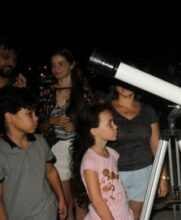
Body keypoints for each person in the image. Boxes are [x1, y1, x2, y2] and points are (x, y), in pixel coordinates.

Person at [38, 48, 94, 219]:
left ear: (72, 65)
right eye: (53, 65)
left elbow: (93, 123)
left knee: (81, 200)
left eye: (61, 64)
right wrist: (52, 122)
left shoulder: (84, 93)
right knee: (64, 200)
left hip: (80, 150)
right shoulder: (46, 91)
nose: (56, 68)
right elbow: (38, 127)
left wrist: (78, 127)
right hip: (56, 152)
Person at [0, 87, 67, 220]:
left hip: (48, 211)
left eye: (35, 113)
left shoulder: (40, 141)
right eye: (29, 113)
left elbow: (50, 171)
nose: (36, 118)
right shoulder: (2, 152)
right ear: (9, 117)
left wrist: (61, 198)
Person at [109, 81, 168, 220]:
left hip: (143, 172)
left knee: (136, 216)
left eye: (128, 81)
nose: (124, 85)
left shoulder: (147, 110)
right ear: (115, 86)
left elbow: (156, 146)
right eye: (120, 82)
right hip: (114, 172)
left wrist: (163, 176)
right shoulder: (105, 110)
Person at [70, 103, 134, 220]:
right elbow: (97, 200)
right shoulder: (90, 161)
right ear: (94, 131)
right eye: (110, 123)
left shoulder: (112, 154)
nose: (115, 126)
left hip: (122, 213)